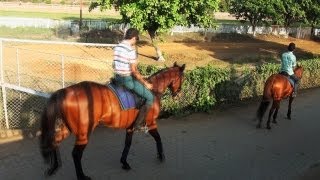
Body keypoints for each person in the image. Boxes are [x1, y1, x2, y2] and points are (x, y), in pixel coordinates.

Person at [112, 28, 154, 132]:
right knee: (150, 97)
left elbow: (115, 64)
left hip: (117, 78)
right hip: (127, 80)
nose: (136, 42)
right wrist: (146, 84)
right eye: (136, 39)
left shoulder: (117, 46)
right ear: (134, 38)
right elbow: (134, 71)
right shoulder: (130, 50)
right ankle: (138, 124)